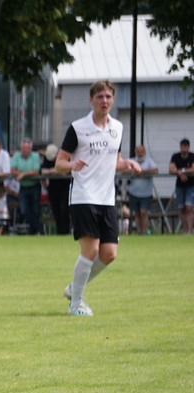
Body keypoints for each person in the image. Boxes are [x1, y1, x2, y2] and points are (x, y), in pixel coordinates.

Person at [55, 79, 141, 316]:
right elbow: (59, 163)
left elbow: (115, 161)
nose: (104, 101)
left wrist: (127, 164)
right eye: (100, 96)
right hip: (83, 196)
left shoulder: (118, 128)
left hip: (106, 199)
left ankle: (75, 287)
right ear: (91, 100)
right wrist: (72, 165)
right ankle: (76, 303)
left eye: (108, 96)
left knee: (109, 254)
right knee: (91, 250)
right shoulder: (78, 128)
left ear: (113, 100)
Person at [10, 138, 44, 235]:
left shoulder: (35, 156)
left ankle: (32, 232)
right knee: (24, 211)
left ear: (30, 148)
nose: (25, 150)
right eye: (23, 148)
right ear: (21, 148)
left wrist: (22, 174)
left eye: (27, 148)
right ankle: (39, 227)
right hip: (23, 187)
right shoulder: (16, 155)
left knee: (35, 210)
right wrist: (22, 174)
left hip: (34, 186)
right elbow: (13, 170)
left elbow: (36, 171)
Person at [126, 144, 158, 235]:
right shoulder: (131, 161)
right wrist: (133, 171)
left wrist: (142, 172)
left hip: (146, 193)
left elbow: (155, 170)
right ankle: (139, 232)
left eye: (142, 151)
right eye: (138, 151)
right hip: (133, 192)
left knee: (143, 212)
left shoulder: (149, 161)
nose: (140, 153)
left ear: (145, 152)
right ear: (135, 152)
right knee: (137, 213)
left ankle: (145, 231)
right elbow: (123, 170)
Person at [41, 144, 71, 235]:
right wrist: (55, 171)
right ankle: (59, 233)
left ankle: (65, 232)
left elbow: (65, 171)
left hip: (65, 189)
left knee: (64, 211)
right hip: (52, 189)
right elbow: (42, 171)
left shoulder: (65, 158)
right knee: (56, 212)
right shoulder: (47, 159)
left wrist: (50, 171)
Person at [168, 138, 194, 235]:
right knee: (182, 208)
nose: (184, 148)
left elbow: (193, 169)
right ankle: (185, 230)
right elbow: (171, 169)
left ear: (188, 147)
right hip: (180, 186)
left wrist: (182, 171)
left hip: (191, 185)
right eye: (182, 146)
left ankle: (190, 230)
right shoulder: (176, 156)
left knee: (189, 208)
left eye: (185, 146)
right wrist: (179, 174)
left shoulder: (192, 156)